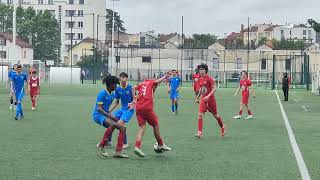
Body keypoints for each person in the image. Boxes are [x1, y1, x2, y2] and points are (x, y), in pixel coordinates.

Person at [132, 72, 172, 157]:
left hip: (138, 108)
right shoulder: (151, 82)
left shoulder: (142, 84)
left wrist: (134, 99)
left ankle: (137, 146)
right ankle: (160, 144)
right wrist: (165, 76)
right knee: (155, 125)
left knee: (142, 127)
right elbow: (157, 82)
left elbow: (132, 88)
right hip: (146, 108)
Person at [93, 75, 128, 158]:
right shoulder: (102, 93)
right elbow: (99, 109)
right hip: (98, 116)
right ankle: (103, 146)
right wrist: (111, 116)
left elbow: (106, 109)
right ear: (110, 85)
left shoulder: (112, 95)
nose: (116, 86)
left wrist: (110, 115)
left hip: (105, 115)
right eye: (115, 84)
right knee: (113, 124)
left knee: (123, 128)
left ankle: (116, 151)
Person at [195, 64, 225, 138]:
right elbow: (202, 89)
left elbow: (214, 88)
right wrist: (197, 97)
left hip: (211, 100)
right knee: (200, 115)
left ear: (205, 70)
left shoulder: (209, 79)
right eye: (200, 69)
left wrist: (208, 96)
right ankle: (199, 132)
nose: (200, 70)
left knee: (216, 115)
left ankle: (222, 127)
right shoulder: (200, 78)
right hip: (203, 100)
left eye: (202, 69)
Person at [106, 72, 135, 149]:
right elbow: (117, 102)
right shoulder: (118, 89)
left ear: (127, 79)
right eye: (122, 78)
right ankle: (108, 141)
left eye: (125, 78)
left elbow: (135, 100)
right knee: (110, 121)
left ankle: (125, 143)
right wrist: (109, 110)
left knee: (120, 124)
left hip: (129, 110)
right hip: (121, 109)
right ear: (120, 79)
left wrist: (132, 104)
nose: (124, 80)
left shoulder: (131, 88)